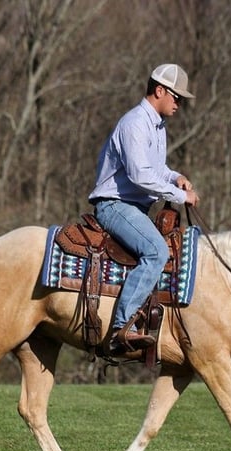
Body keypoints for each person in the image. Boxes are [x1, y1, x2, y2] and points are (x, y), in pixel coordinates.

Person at [89, 63, 200, 354]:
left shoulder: (157, 127)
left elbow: (156, 169)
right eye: (177, 97)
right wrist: (178, 196)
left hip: (134, 208)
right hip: (114, 205)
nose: (179, 104)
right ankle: (121, 328)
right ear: (160, 91)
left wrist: (175, 177)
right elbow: (139, 175)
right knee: (157, 251)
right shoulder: (135, 123)